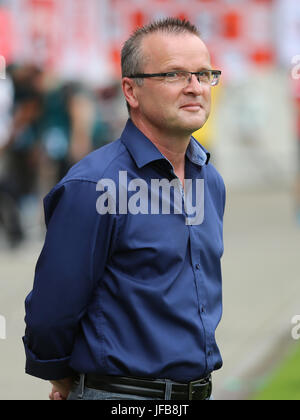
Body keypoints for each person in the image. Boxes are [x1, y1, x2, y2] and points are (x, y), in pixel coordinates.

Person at [23, 18, 226, 401]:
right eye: (173, 74)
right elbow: (52, 310)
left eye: (203, 74)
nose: (195, 87)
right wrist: (60, 377)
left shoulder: (209, 180)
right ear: (131, 90)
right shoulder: (94, 186)